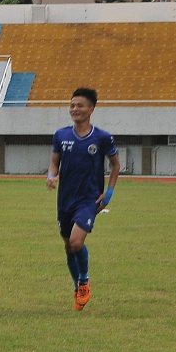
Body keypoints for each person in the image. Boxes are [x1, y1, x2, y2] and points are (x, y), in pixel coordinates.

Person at [47, 87, 120, 310]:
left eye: (79, 105)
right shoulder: (61, 135)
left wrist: (109, 192)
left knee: (77, 242)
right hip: (65, 199)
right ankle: (77, 286)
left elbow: (116, 164)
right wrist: (51, 176)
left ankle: (84, 281)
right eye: (72, 105)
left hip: (89, 200)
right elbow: (54, 162)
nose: (75, 109)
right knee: (68, 247)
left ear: (91, 109)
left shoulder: (102, 137)